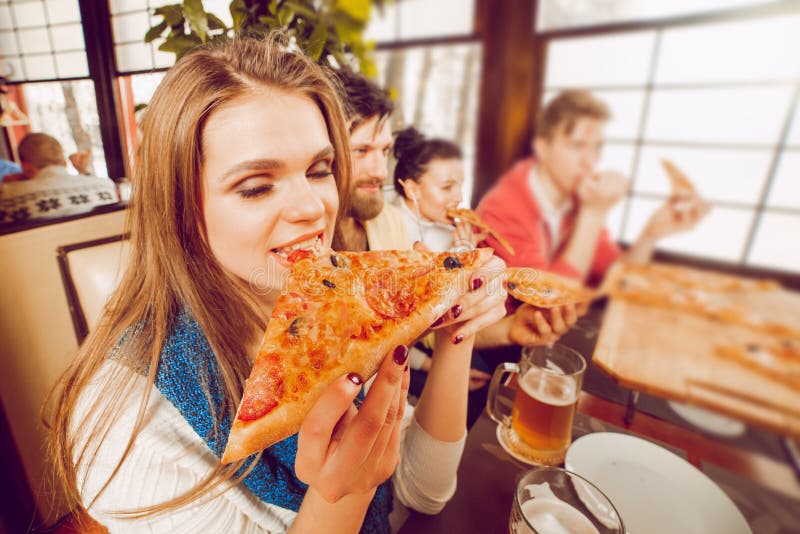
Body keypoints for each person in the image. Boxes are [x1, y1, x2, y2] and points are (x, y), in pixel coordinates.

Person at [46, 36, 507, 533]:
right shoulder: (128, 423)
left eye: (319, 169)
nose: (313, 208)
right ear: (179, 207)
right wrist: (341, 492)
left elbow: (421, 492)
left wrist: (455, 330)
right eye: (257, 186)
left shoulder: (337, 303)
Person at [477, 90, 710, 285]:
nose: (590, 161)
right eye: (577, 145)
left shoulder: (578, 197)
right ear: (542, 148)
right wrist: (594, 213)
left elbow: (618, 278)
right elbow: (544, 302)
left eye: (597, 147)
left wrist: (651, 234)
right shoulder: (501, 209)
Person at [0, 133, 117, 224]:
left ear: (25, 167)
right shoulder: (106, 186)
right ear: (64, 163)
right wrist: (83, 172)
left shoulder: (7, 199)